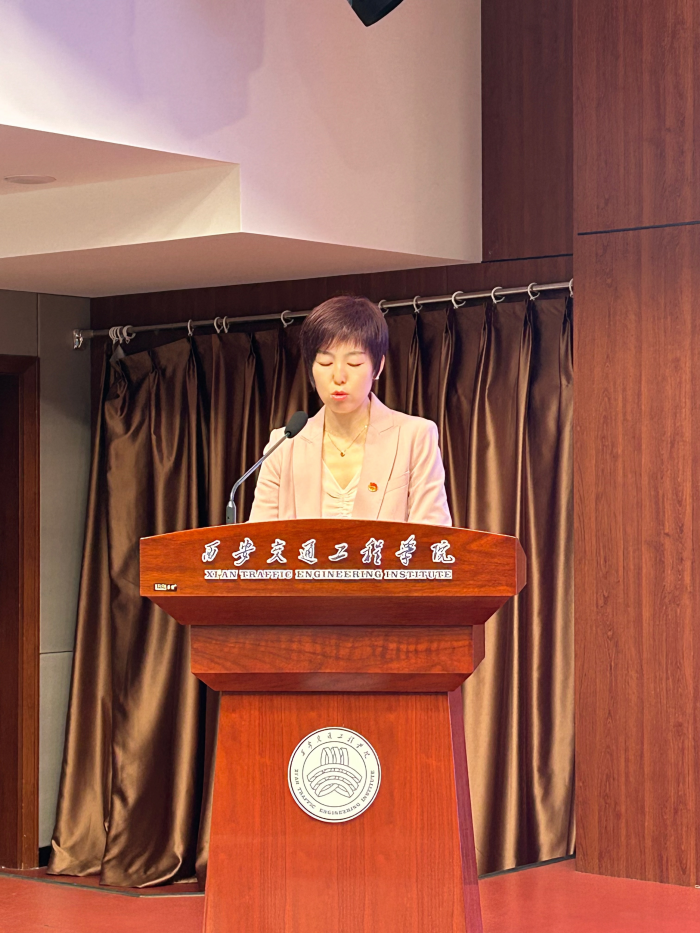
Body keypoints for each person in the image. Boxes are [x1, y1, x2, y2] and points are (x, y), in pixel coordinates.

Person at [248, 296, 451, 526]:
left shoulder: (414, 437)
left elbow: (433, 537)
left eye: (354, 363)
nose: (338, 377)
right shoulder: (284, 445)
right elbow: (259, 539)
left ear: (378, 367)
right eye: (325, 363)